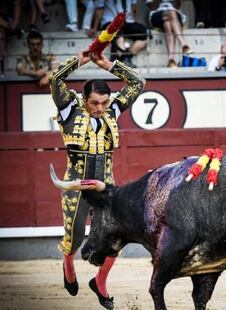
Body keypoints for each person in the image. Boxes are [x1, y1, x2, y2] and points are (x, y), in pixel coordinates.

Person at [49, 50, 145, 309]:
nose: (101, 108)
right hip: (76, 185)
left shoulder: (112, 109)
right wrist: (79, 60)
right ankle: (68, 264)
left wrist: (108, 65)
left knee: (116, 237)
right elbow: (55, 79)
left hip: (105, 186)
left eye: (104, 102)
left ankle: (100, 281)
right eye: (94, 103)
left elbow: (138, 83)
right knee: (75, 237)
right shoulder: (69, 109)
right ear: (84, 99)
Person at [91, 0, 149, 67]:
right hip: (110, 20)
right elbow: (99, 9)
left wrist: (134, 22)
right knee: (119, 36)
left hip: (127, 21)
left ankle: (125, 57)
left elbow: (134, 8)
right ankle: (124, 60)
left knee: (145, 33)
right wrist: (95, 27)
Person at [148, 0, 193, 68]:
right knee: (171, 13)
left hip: (174, 15)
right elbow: (152, 6)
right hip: (157, 14)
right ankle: (183, 44)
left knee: (167, 25)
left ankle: (171, 59)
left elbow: (178, 6)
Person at [0, 0, 22, 76]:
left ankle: (1, 61)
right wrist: (7, 25)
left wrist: (15, 24)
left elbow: (17, 4)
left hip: (8, 19)